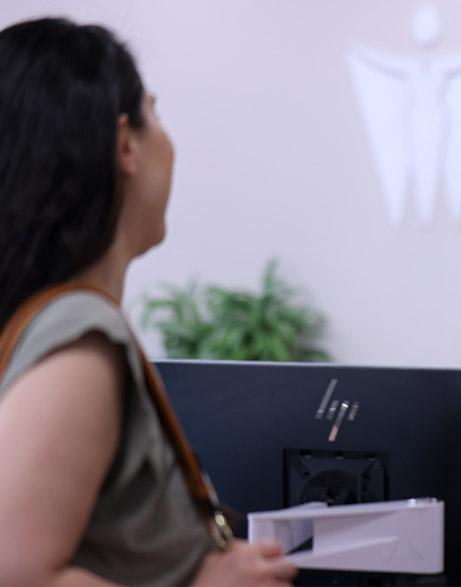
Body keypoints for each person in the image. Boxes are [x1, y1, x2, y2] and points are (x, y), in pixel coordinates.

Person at [0, 17, 297, 586]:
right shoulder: (80, 335)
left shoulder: (49, 323)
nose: (169, 141)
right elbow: (19, 575)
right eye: (154, 114)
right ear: (123, 145)